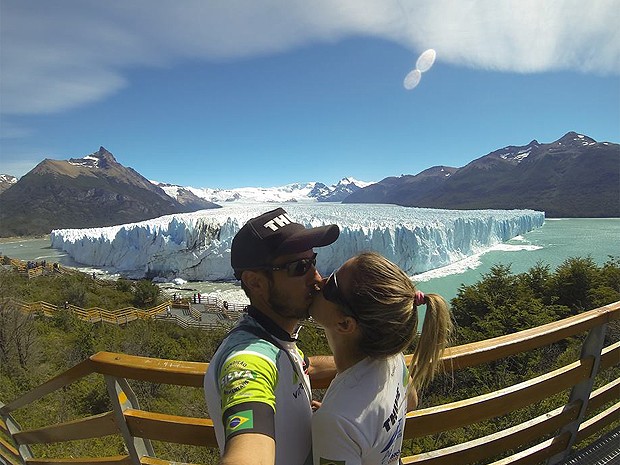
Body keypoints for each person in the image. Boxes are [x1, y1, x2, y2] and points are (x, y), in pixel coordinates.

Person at [204, 208, 340, 465]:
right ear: (255, 283)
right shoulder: (248, 359)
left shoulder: (274, 340)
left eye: (313, 261)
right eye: (299, 267)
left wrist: (367, 360)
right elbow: (246, 454)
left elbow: (303, 365)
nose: (318, 279)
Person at [310, 251, 453, 465]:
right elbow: (410, 401)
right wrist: (350, 424)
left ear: (345, 324)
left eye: (332, 283)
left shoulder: (337, 421)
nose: (320, 281)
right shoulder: (392, 357)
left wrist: (337, 424)